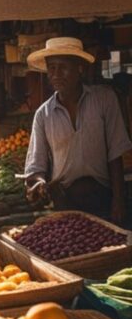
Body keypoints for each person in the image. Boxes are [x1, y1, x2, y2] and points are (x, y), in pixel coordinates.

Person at [24, 37, 132, 224]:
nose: (56, 74)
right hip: (65, 202)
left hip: (103, 198)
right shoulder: (43, 114)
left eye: (63, 67)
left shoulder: (104, 99)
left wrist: (118, 201)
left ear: (80, 68)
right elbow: (36, 166)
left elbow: (115, 155)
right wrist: (39, 183)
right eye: (52, 68)